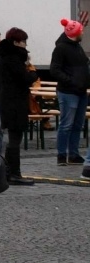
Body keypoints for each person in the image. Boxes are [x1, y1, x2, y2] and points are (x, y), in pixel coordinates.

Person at [0, 27, 38, 186]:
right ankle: (14, 173)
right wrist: (33, 72)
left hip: (10, 100)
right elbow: (25, 78)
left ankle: (10, 172)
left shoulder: (6, 56)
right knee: (15, 138)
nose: (25, 45)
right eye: (23, 41)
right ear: (16, 42)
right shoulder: (13, 59)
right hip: (14, 102)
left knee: (14, 137)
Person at [49, 18, 89, 166]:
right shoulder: (61, 48)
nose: (82, 33)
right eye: (81, 31)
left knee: (78, 125)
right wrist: (71, 80)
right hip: (68, 92)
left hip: (81, 91)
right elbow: (54, 69)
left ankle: (73, 154)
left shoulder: (77, 46)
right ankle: (61, 155)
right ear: (75, 33)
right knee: (66, 124)